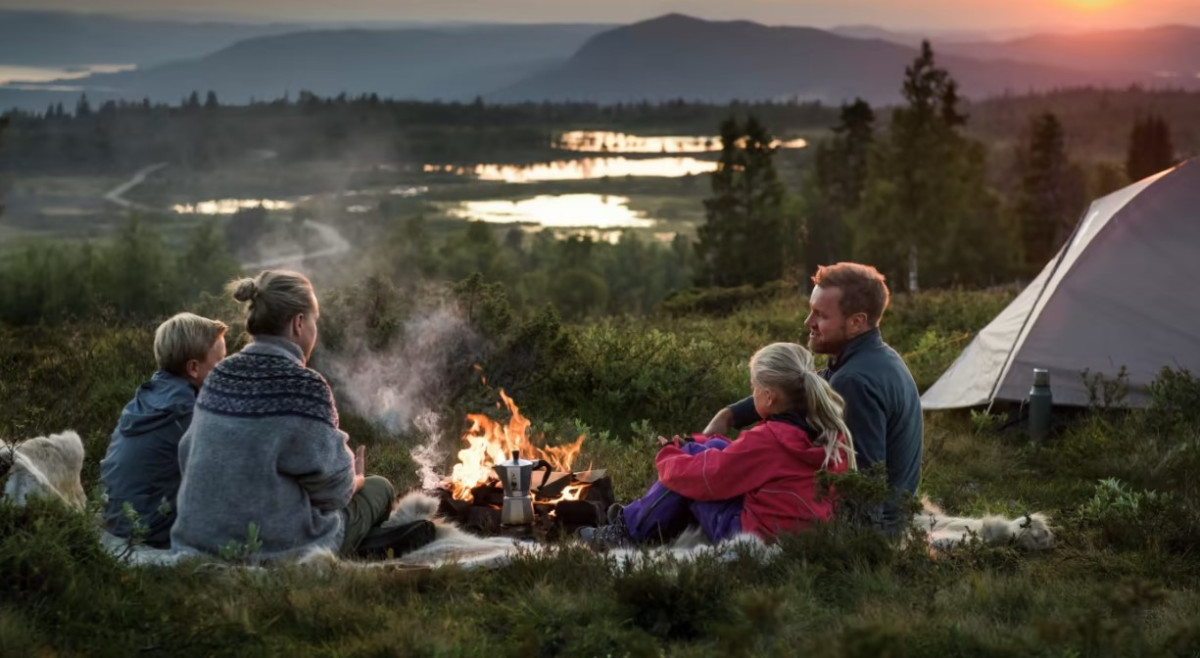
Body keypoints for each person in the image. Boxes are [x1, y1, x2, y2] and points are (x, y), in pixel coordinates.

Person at [171, 270, 403, 560]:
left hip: (199, 539)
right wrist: (356, 480)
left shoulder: (219, 374)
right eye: (315, 321)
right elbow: (335, 493)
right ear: (299, 323)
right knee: (379, 488)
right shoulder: (305, 386)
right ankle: (368, 545)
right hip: (274, 548)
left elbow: (186, 453)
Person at [703, 262, 922, 533]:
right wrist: (731, 415)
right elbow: (807, 386)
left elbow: (864, 482)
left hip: (869, 529)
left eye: (820, 315)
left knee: (710, 494)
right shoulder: (874, 358)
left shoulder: (853, 382)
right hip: (888, 518)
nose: (809, 322)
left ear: (856, 322)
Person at [583, 342, 856, 547]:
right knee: (709, 447)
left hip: (755, 535)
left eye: (754, 388)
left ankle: (627, 532)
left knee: (686, 473)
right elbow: (742, 461)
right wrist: (703, 444)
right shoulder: (829, 432)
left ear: (769, 397)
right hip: (801, 531)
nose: (753, 393)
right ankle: (635, 518)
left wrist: (669, 454)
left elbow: (704, 478)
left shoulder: (769, 440)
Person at [100, 312, 228, 547]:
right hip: (151, 534)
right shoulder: (186, 412)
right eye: (219, 363)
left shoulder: (145, 398)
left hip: (117, 524)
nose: (225, 371)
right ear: (193, 368)